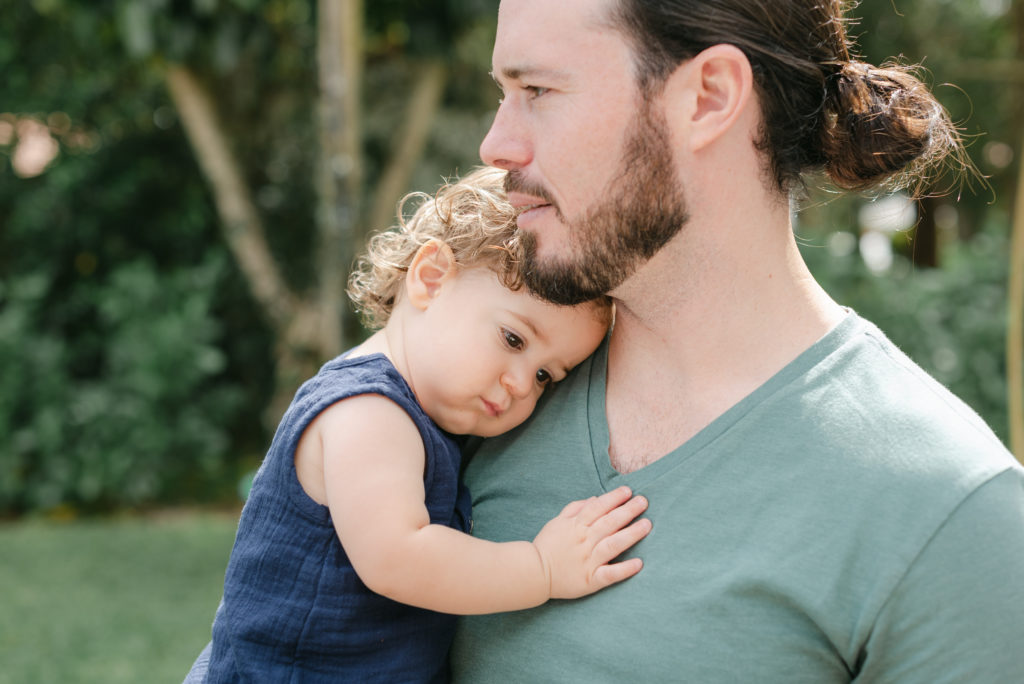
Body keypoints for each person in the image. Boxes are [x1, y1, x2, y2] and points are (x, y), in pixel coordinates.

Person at [450, 1, 1024, 682]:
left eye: (538, 91)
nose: (496, 144)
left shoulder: (950, 512)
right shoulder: (472, 385)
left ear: (710, 97)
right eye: (502, 93)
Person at [183, 166, 652, 683]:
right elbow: (397, 557)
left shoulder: (427, 416)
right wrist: (541, 569)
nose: (522, 383)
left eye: (546, 374)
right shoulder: (367, 412)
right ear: (430, 279)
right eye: (513, 340)